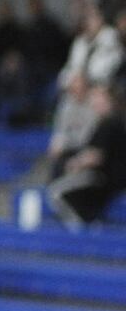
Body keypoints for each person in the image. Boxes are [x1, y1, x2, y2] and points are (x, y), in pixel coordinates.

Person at [47, 83, 126, 230]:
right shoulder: (103, 122)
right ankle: (89, 224)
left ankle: (79, 231)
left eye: (99, 99)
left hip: (105, 178)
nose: (94, 103)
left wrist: (74, 164)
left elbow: (96, 156)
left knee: (56, 192)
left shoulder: (110, 123)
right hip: (103, 178)